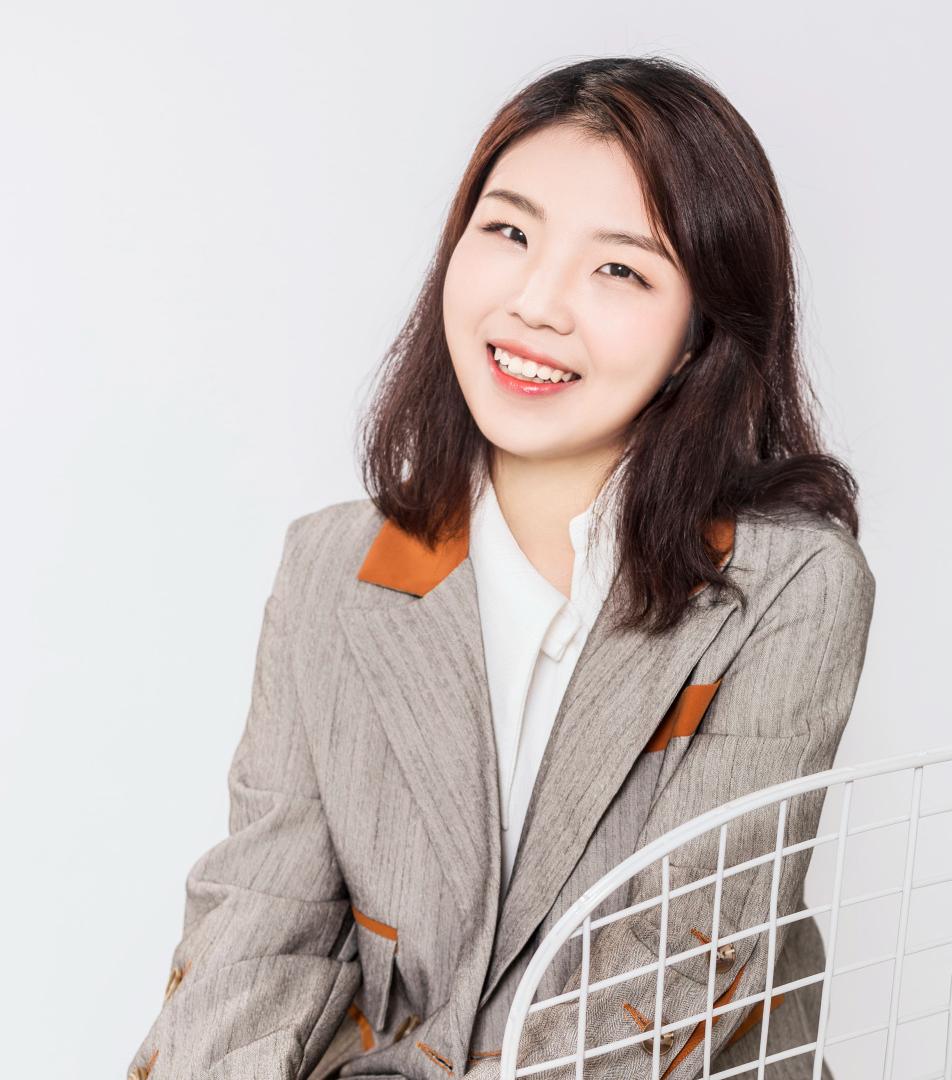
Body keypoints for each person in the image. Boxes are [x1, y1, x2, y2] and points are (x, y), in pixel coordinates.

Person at [126, 55, 876, 1080]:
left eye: (620, 270)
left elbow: (686, 959)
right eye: (510, 233)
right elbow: (260, 924)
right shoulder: (331, 568)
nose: (537, 303)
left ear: (698, 335)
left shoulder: (790, 585)